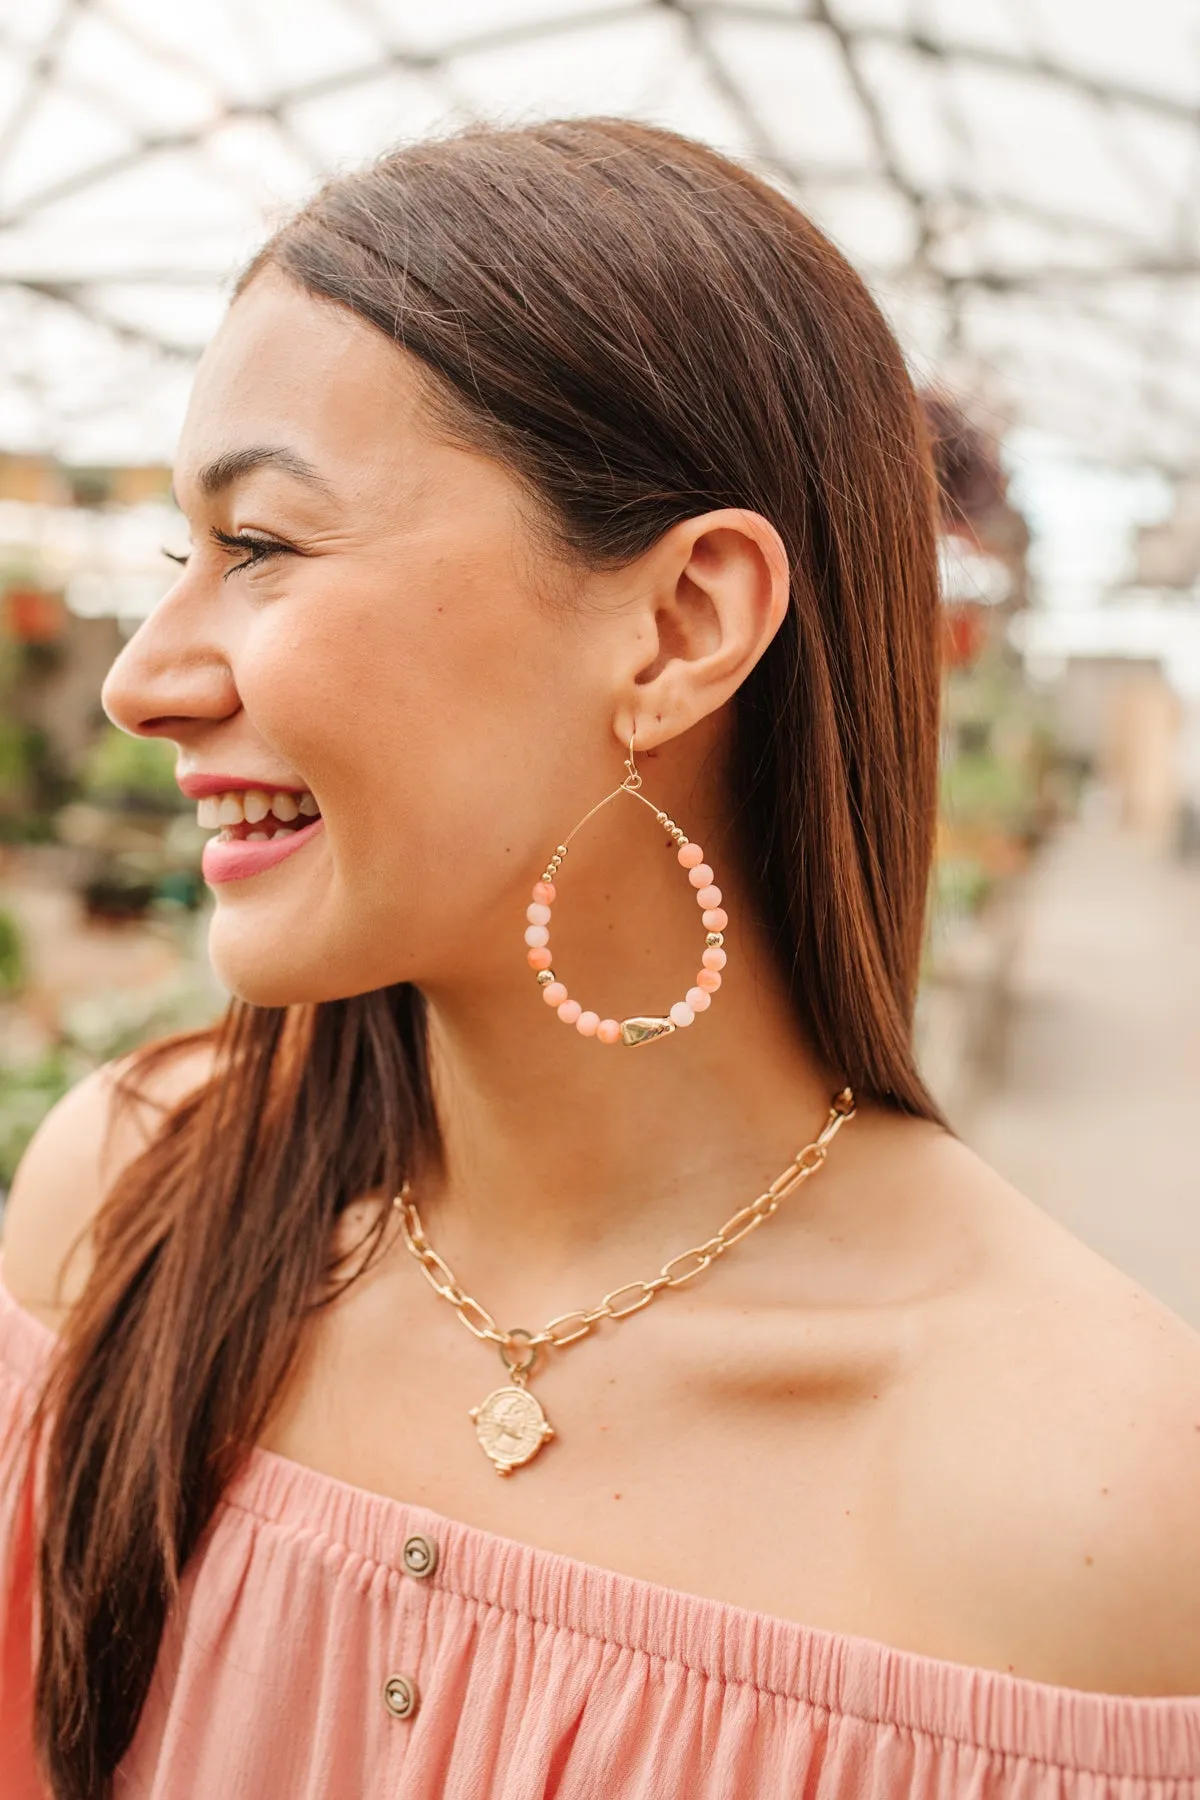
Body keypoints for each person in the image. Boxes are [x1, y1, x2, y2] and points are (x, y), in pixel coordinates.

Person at [1, 118, 1198, 1800]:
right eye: (170, 562)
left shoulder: (1086, 1501)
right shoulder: (133, 1201)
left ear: (681, 624)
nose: (140, 678)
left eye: (259, 546)